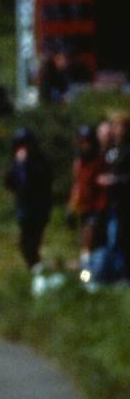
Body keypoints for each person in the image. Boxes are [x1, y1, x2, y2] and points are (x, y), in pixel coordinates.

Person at [3, 128, 54, 270]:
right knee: (25, 238)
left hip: (39, 206)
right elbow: (9, 182)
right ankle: (33, 264)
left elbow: (44, 180)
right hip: (24, 206)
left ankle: (36, 264)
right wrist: (19, 165)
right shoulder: (16, 163)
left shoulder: (40, 161)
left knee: (35, 236)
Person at [67, 124, 107, 273]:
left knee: (92, 241)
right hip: (84, 207)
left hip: (98, 208)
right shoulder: (79, 163)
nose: (85, 146)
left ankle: (91, 274)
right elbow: (77, 186)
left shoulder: (100, 161)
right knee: (84, 242)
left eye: (88, 142)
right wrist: (71, 207)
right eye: (82, 142)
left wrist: (101, 209)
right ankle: (87, 274)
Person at [96, 112, 130, 280]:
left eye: (120, 127)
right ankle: (111, 272)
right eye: (115, 126)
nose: (116, 130)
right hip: (109, 202)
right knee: (110, 236)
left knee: (121, 237)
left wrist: (114, 180)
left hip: (124, 202)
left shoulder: (127, 150)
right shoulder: (112, 150)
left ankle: (123, 273)